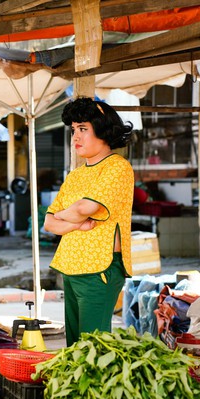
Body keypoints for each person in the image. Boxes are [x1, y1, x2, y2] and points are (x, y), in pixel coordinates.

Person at [43, 97, 134, 346]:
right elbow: (49, 223)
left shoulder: (117, 167)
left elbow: (86, 207)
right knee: (74, 347)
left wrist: (67, 215)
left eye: (83, 129)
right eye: (73, 130)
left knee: (93, 348)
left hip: (99, 269)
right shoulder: (76, 175)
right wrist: (76, 223)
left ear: (103, 130)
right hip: (70, 267)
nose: (75, 137)